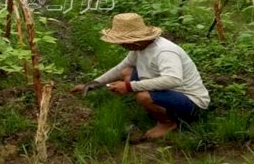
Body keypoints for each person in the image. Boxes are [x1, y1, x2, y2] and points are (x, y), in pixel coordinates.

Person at [71, 13, 210, 140]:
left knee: (143, 96)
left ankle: (168, 123)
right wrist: (92, 84)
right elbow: (120, 67)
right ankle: (159, 109)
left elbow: (173, 80)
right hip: (169, 90)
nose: (121, 45)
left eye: (122, 43)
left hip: (190, 100)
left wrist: (129, 86)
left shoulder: (165, 51)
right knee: (126, 72)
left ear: (134, 41)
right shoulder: (140, 48)